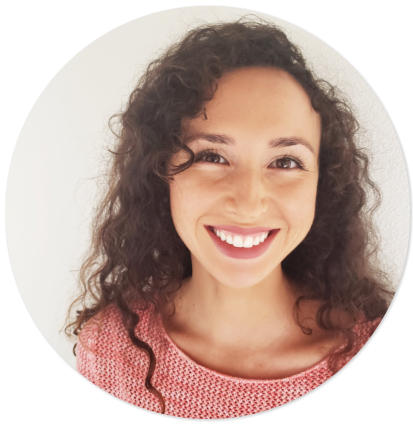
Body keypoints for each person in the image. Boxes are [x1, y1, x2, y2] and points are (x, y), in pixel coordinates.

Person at [65, 18, 394, 418]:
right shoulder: (112, 349)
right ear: (160, 173)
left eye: (286, 161)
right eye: (211, 156)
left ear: (323, 186)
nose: (249, 202)